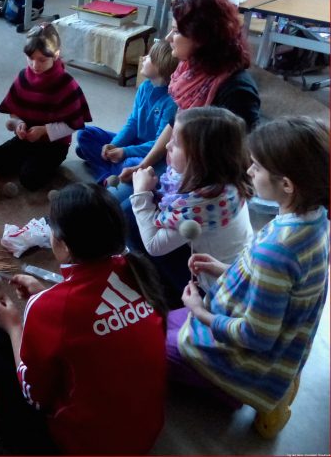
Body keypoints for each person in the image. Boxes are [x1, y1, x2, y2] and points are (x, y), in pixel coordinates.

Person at [0, 183, 167, 455]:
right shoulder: (136, 272)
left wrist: (14, 325)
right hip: (144, 433)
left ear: (63, 243)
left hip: (83, 446)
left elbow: (35, 396)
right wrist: (49, 298)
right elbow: (91, 316)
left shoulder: (50, 307)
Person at [167, 117, 329, 439]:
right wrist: (225, 268)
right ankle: (277, 382)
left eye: (256, 165)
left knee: (151, 346)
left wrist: (200, 311)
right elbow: (279, 287)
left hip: (249, 354)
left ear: (287, 184)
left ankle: (243, 392)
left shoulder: (279, 251)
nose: (249, 170)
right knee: (166, 320)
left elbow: (256, 336)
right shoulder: (313, 217)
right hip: (273, 333)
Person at [118, 0, 260, 185]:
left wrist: (166, 189)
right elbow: (174, 123)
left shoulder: (237, 91)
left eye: (176, 31)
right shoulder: (189, 69)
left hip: (204, 180)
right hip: (176, 162)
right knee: (121, 192)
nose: (168, 38)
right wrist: (143, 164)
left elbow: (233, 160)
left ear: (201, 38)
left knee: (124, 206)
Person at [130, 106, 254, 298]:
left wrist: (141, 192)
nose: (167, 146)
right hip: (232, 260)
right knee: (131, 212)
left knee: (130, 219)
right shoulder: (223, 174)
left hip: (215, 283)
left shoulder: (203, 203)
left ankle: (167, 295)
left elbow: (154, 246)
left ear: (201, 157)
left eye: (176, 143)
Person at [0, 22, 92, 191]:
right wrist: (19, 124)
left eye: (42, 60)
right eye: (31, 58)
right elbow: (13, 112)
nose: (35, 65)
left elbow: (73, 124)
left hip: (54, 145)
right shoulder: (23, 77)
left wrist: (44, 131)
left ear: (56, 55)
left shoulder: (66, 84)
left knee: (30, 179)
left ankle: (34, 164)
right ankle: (25, 160)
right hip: (26, 139)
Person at [76, 40, 178, 199]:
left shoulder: (171, 102)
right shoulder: (145, 86)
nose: (143, 58)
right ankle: (107, 175)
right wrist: (115, 144)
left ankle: (107, 169)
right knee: (85, 134)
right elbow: (133, 123)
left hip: (147, 154)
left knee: (131, 164)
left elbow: (158, 144)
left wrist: (125, 152)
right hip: (133, 143)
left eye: (150, 57)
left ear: (161, 66)